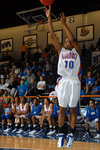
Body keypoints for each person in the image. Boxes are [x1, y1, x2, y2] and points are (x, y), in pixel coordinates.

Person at [44, 6, 81, 148]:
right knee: (62, 109)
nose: (67, 42)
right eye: (66, 41)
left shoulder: (77, 50)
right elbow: (53, 35)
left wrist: (64, 24)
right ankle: (60, 135)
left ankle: (70, 136)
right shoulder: (61, 50)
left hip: (74, 81)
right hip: (63, 81)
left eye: (69, 41)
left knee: (72, 110)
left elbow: (72, 38)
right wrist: (49, 19)